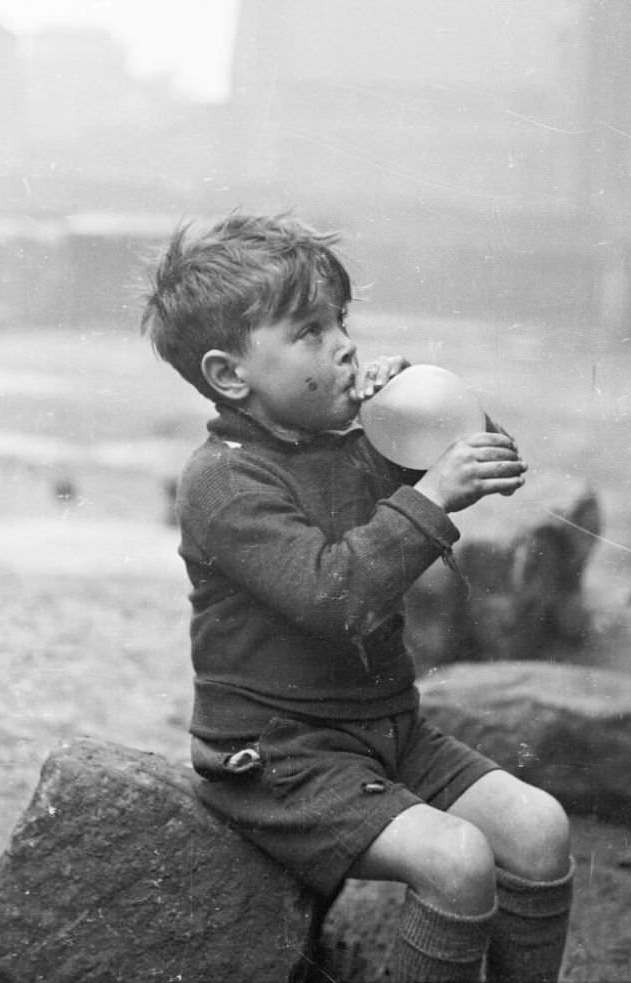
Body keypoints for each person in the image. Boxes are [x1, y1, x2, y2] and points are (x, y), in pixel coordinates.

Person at [141, 213, 573, 982]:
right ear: (230, 375)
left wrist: (422, 410)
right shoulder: (224, 482)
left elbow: (492, 462)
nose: (343, 343)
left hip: (386, 733)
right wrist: (429, 493)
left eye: (341, 321)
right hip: (281, 757)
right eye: (309, 331)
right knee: (458, 860)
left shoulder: (358, 438)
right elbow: (332, 595)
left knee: (540, 827)